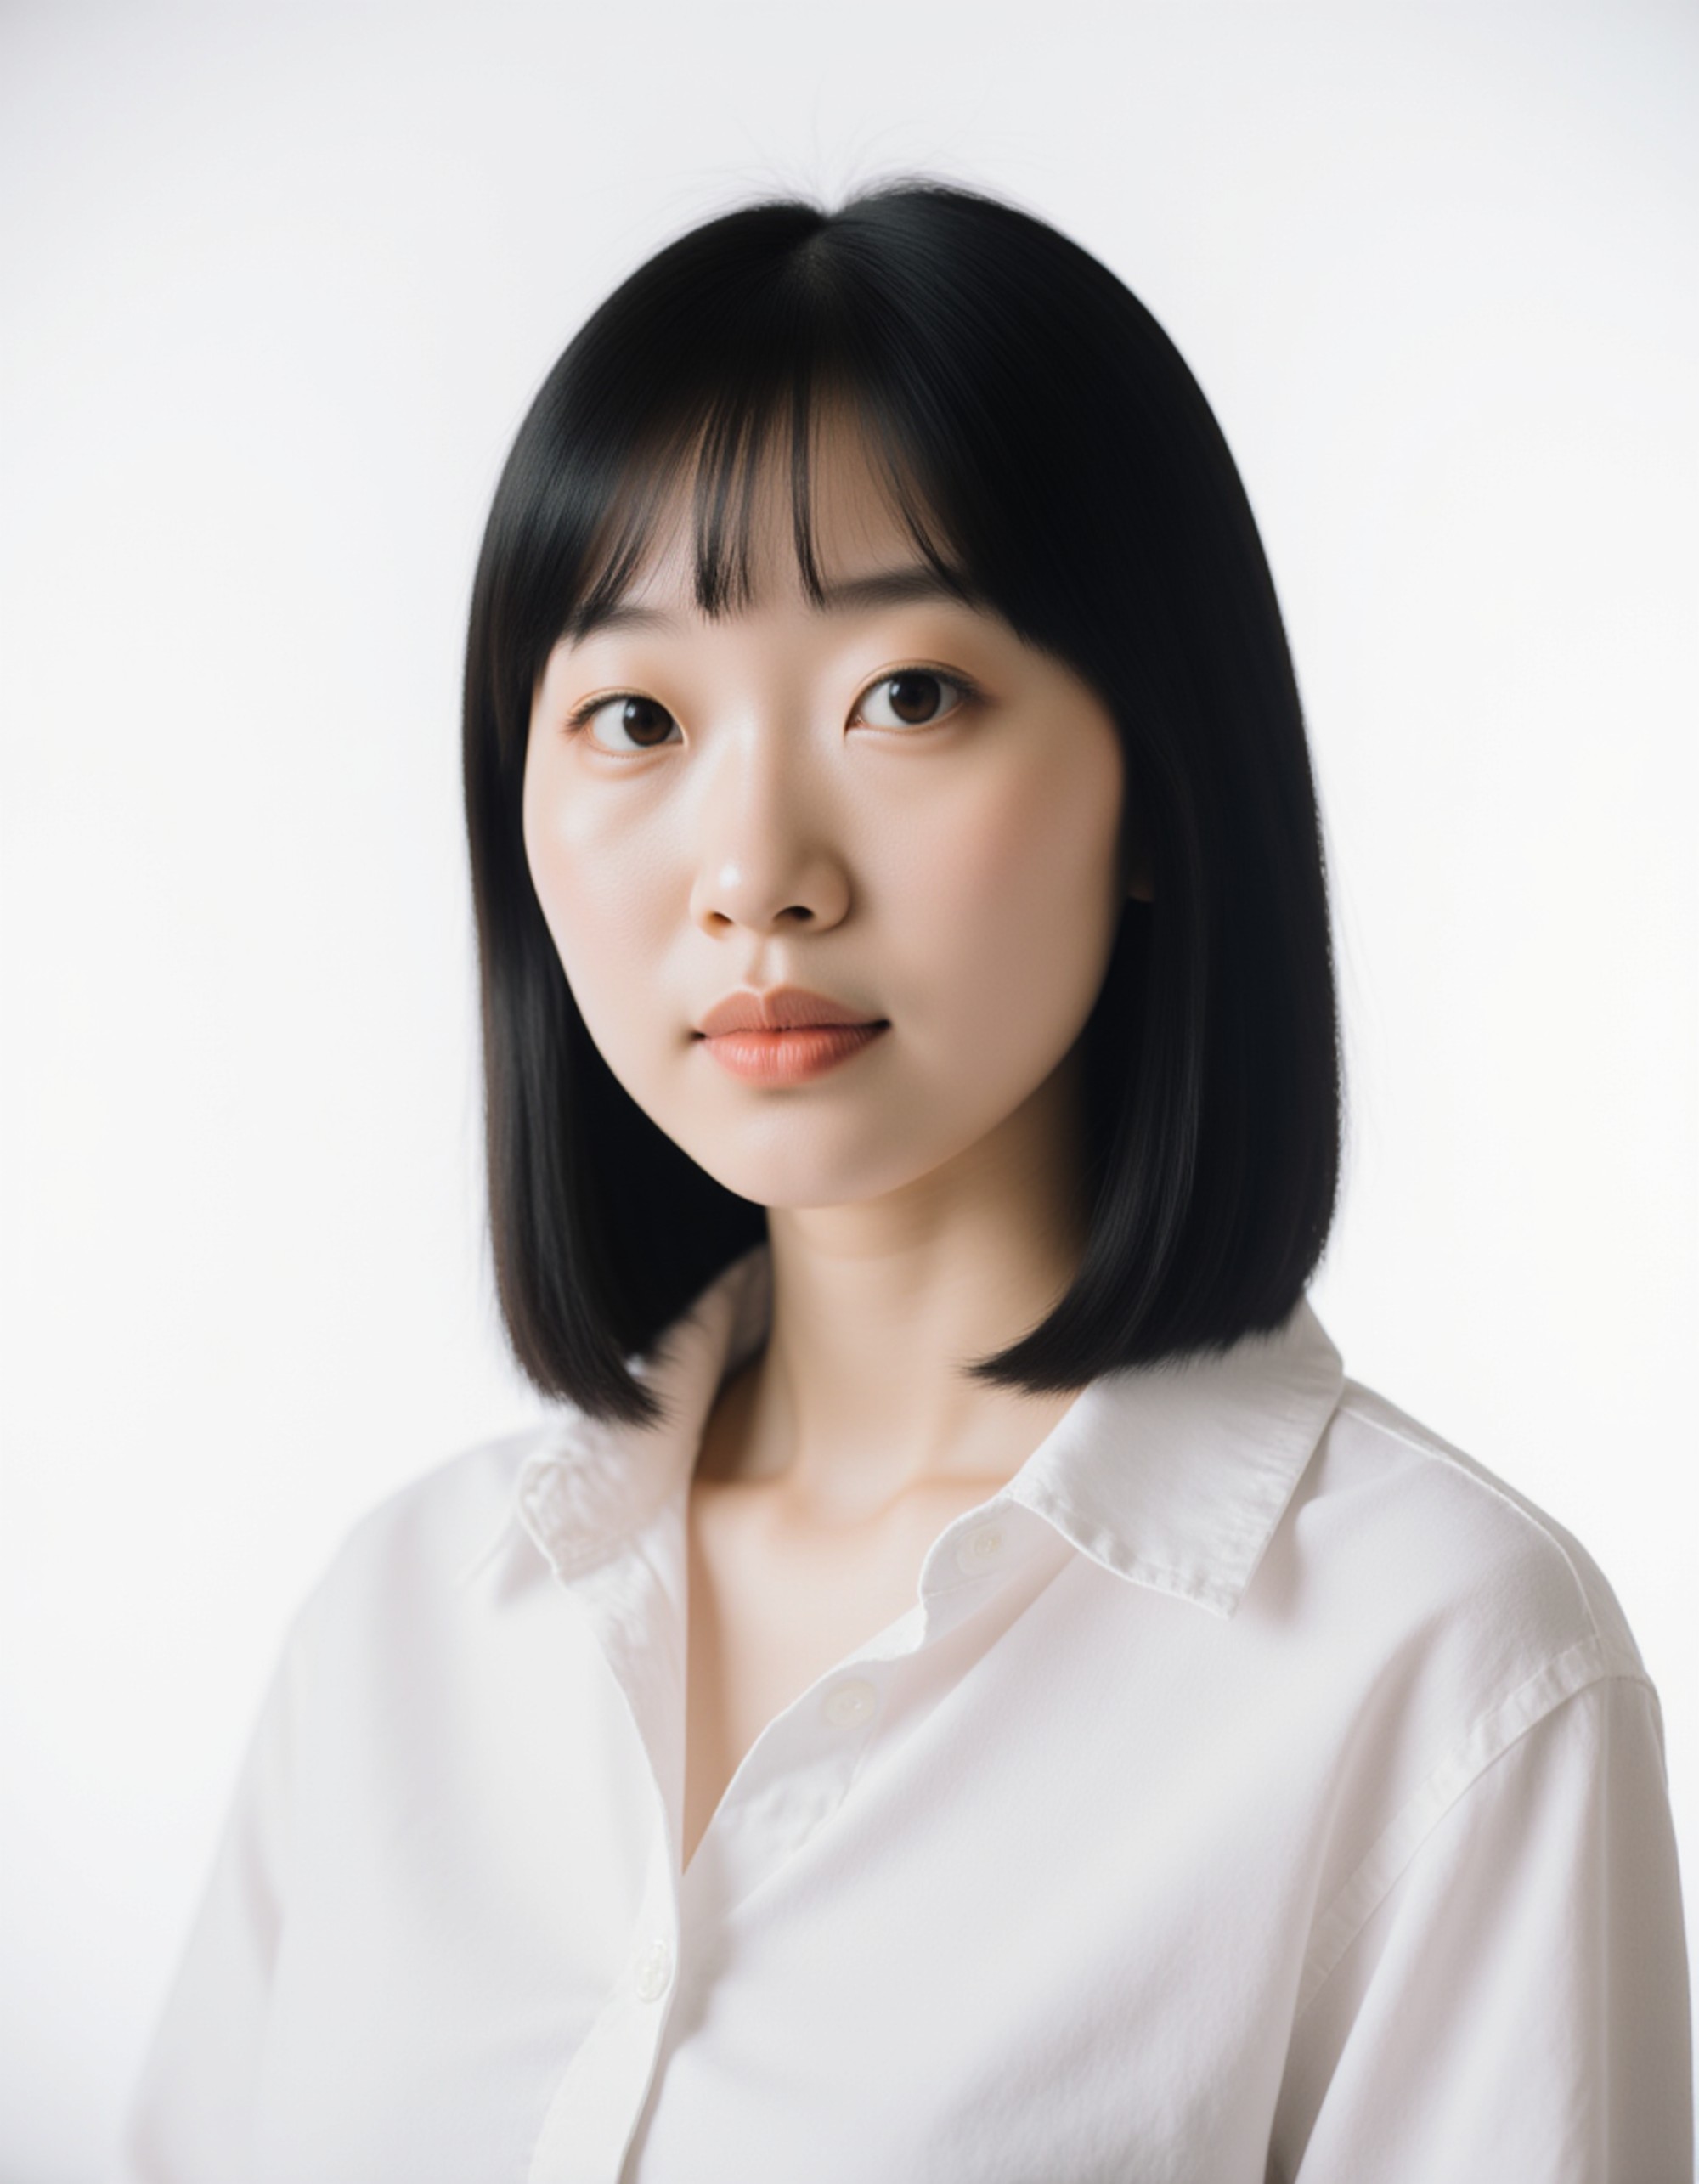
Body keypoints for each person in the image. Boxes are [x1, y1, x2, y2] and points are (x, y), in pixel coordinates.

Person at [116, 181, 1691, 2182]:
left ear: (1157, 778)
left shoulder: (1443, 1667)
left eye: (909, 695)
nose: (757, 863)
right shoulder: (406, 1621)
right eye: (634, 716)